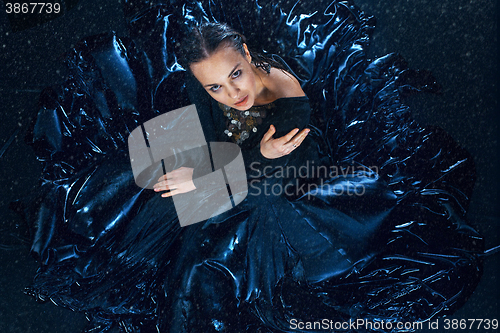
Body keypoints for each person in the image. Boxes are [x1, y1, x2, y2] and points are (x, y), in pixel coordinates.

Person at [20, 0, 484, 332]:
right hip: (235, 148)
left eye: (235, 75)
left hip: (292, 175)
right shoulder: (210, 87)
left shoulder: (286, 97)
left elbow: (277, 175)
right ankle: (98, 225)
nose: (231, 91)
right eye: (216, 85)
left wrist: (203, 175)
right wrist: (189, 148)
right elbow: (203, 121)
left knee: (207, 219)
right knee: (141, 154)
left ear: (244, 51)